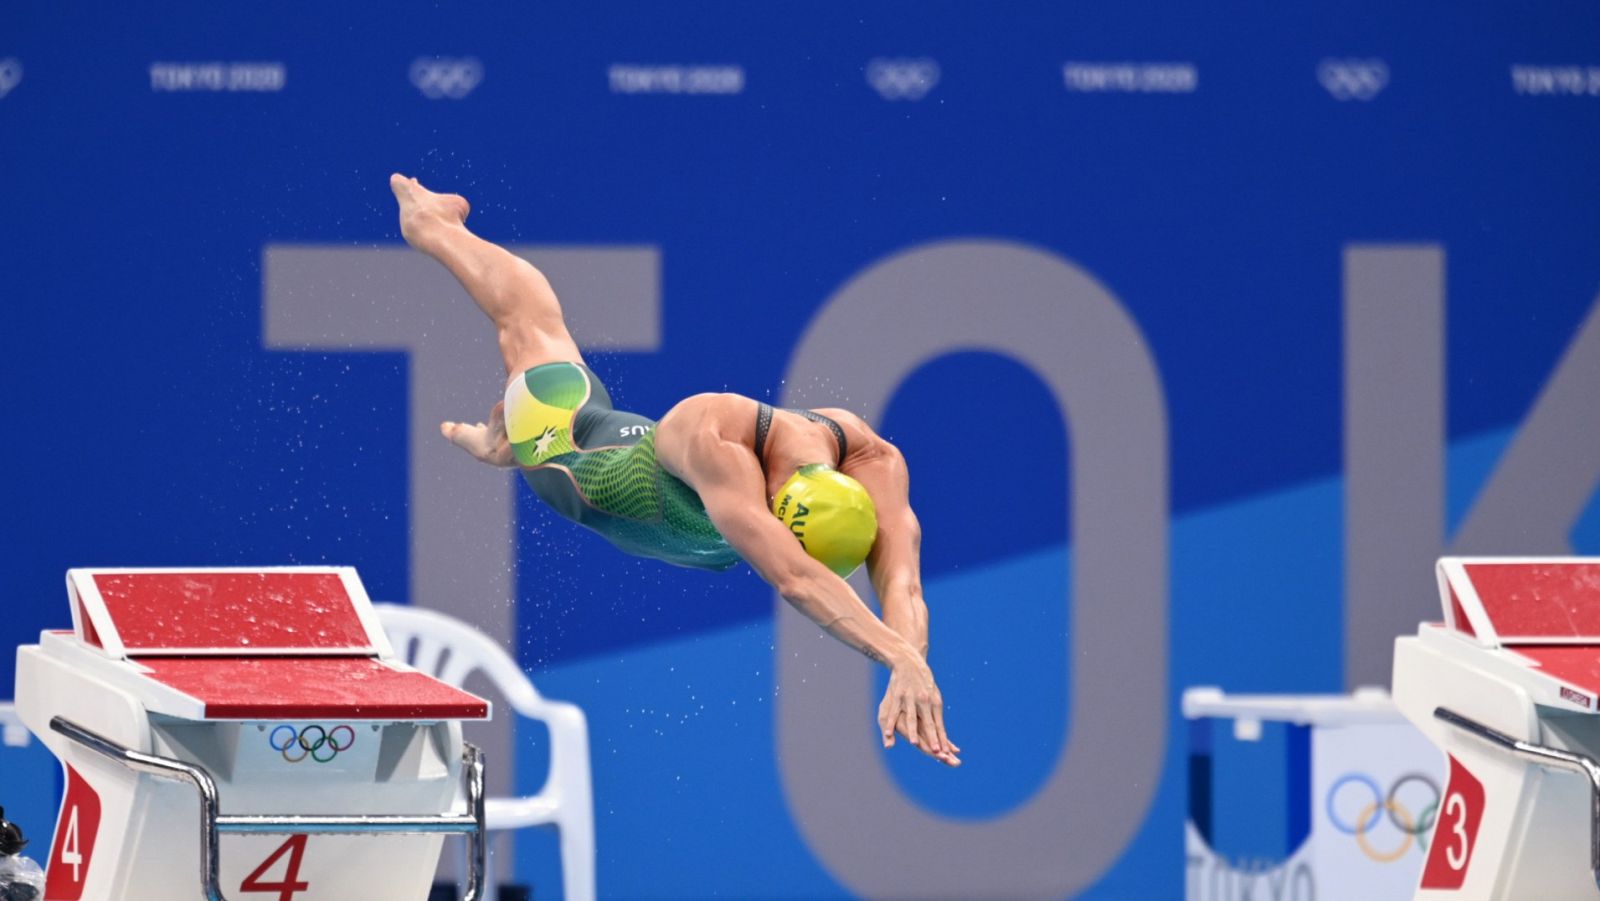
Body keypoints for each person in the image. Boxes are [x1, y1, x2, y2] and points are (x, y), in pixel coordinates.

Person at [391, 174, 959, 767]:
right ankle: (433, 226)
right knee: (531, 328)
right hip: (569, 446)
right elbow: (796, 581)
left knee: (538, 364)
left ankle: (497, 440)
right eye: (780, 533)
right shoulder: (715, 432)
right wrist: (896, 657)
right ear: (780, 494)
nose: (769, 542)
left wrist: (913, 667)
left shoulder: (872, 458)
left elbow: (904, 586)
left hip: (646, 467)